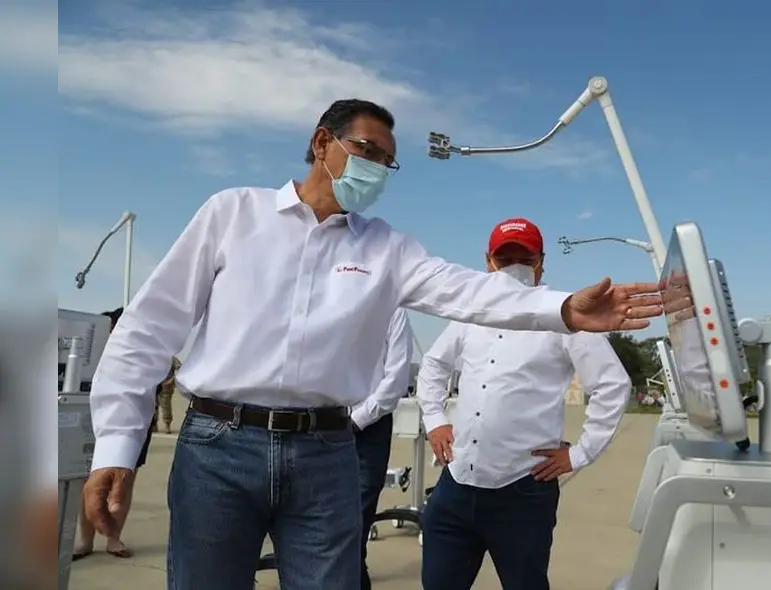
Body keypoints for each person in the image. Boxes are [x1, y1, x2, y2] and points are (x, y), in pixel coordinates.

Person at [83, 98, 665, 590]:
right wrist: (115, 444)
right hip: (218, 447)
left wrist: (562, 309)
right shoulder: (233, 214)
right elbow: (148, 328)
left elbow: (467, 292)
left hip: (327, 453)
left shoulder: (386, 249)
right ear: (322, 144)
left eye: (388, 162)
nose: (378, 169)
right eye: (368, 152)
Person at [416, 217, 634, 590]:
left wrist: (580, 454)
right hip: (456, 484)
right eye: (505, 259)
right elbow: (434, 364)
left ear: (541, 262)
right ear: (488, 261)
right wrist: (435, 418)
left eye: (524, 258)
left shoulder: (563, 314)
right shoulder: (472, 315)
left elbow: (613, 385)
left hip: (521, 490)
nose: (513, 268)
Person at [74, 308, 151, 560]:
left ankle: (113, 537)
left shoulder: (145, 347)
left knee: (123, 483)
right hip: (93, 419)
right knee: (89, 482)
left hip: (134, 422)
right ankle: (85, 541)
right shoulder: (92, 347)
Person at [353, 308, 413, 590]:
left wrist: (356, 420)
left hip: (369, 426)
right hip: (316, 424)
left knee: (357, 523)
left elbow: (397, 378)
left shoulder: (393, 309)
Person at [152, 357, 181, 433]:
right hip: (153, 386)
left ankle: (167, 424)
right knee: (153, 407)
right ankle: (154, 425)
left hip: (166, 386)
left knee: (166, 407)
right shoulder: (153, 356)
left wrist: (172, 380)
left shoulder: (171, 358)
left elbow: (180, 368)